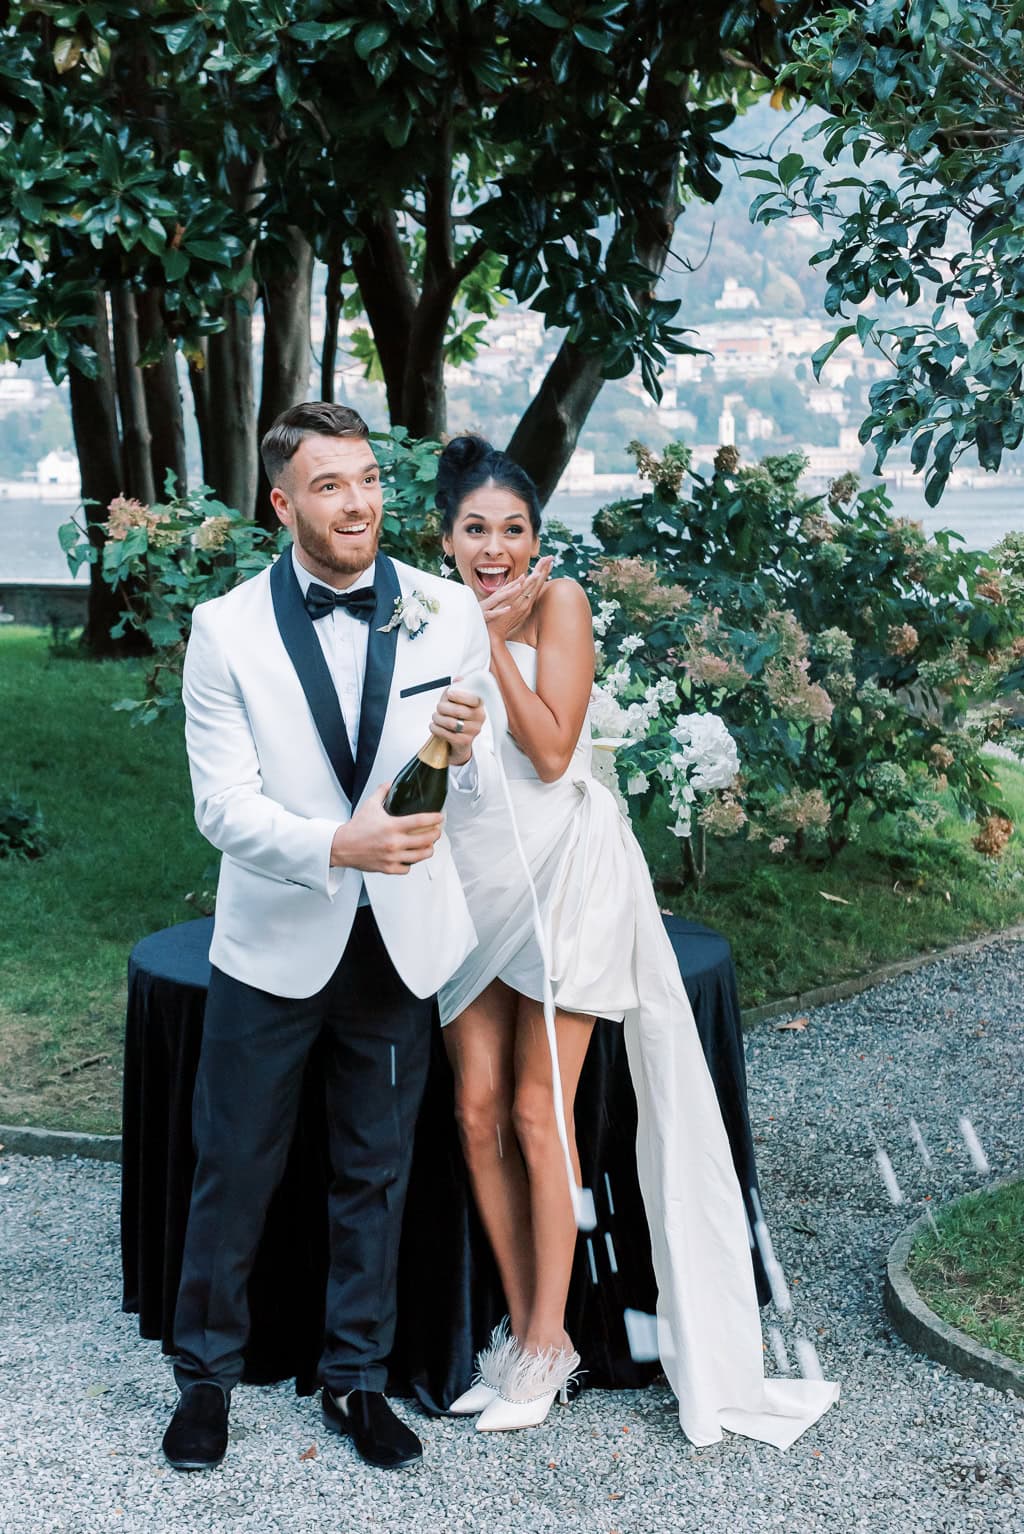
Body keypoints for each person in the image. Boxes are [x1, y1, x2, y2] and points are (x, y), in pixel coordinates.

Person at [435, 435, 839, 1446]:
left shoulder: (555, 605)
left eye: (512, 530)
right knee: (475, 1109)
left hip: (566, 870)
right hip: (468, 879)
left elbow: (553, 745)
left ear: (536, 537)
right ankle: (536, 1337)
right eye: (475, 529)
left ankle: (541, 1338)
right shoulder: (424, 613)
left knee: (540, 1110)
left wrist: (487, 647)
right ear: (444, 537)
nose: (495, 548)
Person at [161, 402, 492, 1474]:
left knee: (376, 1168)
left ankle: (357, 1379)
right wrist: (336, 847)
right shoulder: (226, 631)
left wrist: (466, 749)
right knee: (234, 1168)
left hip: (398, 940)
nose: (357, 503)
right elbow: (222, 809)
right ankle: (205, 1379)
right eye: (329, 486)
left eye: (367, 480)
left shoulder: (446, 613)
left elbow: (457, 781)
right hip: (271, 940)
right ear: (283, 502)